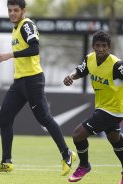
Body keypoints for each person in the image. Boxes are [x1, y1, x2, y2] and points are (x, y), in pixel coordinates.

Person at [0, 0, 76, 176]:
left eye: (15, 10)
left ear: (23, 11)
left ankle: (67, 154)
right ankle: (6, 162)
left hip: (32, 80)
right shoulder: (15, 27)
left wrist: (10, 55)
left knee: (44, 119)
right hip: (19, 82)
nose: (12, 13)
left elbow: (34, 48)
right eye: (10, 10)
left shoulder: (26, 25)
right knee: (4, 118)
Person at [63, 30, 123, 183]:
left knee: (77, 134)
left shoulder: (116, 64)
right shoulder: (90, 59)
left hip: (114, 109)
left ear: (109, 47)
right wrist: (71, 76)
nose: (101, 49)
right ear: (93, 46)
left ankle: (84, 165)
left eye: (104, 46)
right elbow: (80, 70)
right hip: (102, 106)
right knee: (114, 138)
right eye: (98, 45)